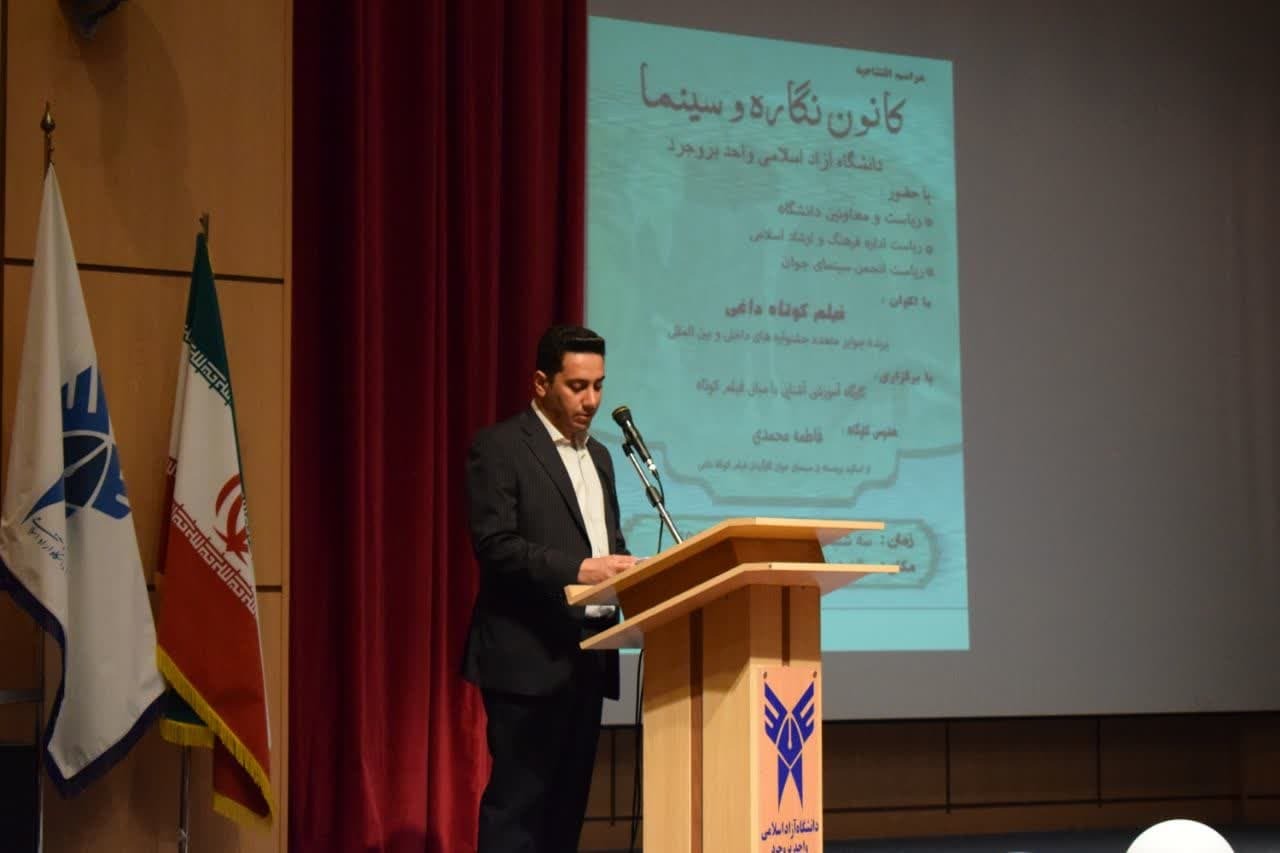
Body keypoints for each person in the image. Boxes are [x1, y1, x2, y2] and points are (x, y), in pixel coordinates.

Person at [463, 324, 637, 852]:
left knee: (567, 810)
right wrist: (580, 569)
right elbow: (495, 546)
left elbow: (608, 543)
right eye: (577, 386)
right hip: (527, 659)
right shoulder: (500, 448)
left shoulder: (601, 456)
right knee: (518, 811)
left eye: (599, 385)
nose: (592, 401)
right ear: (541, 383)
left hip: (589, 656)